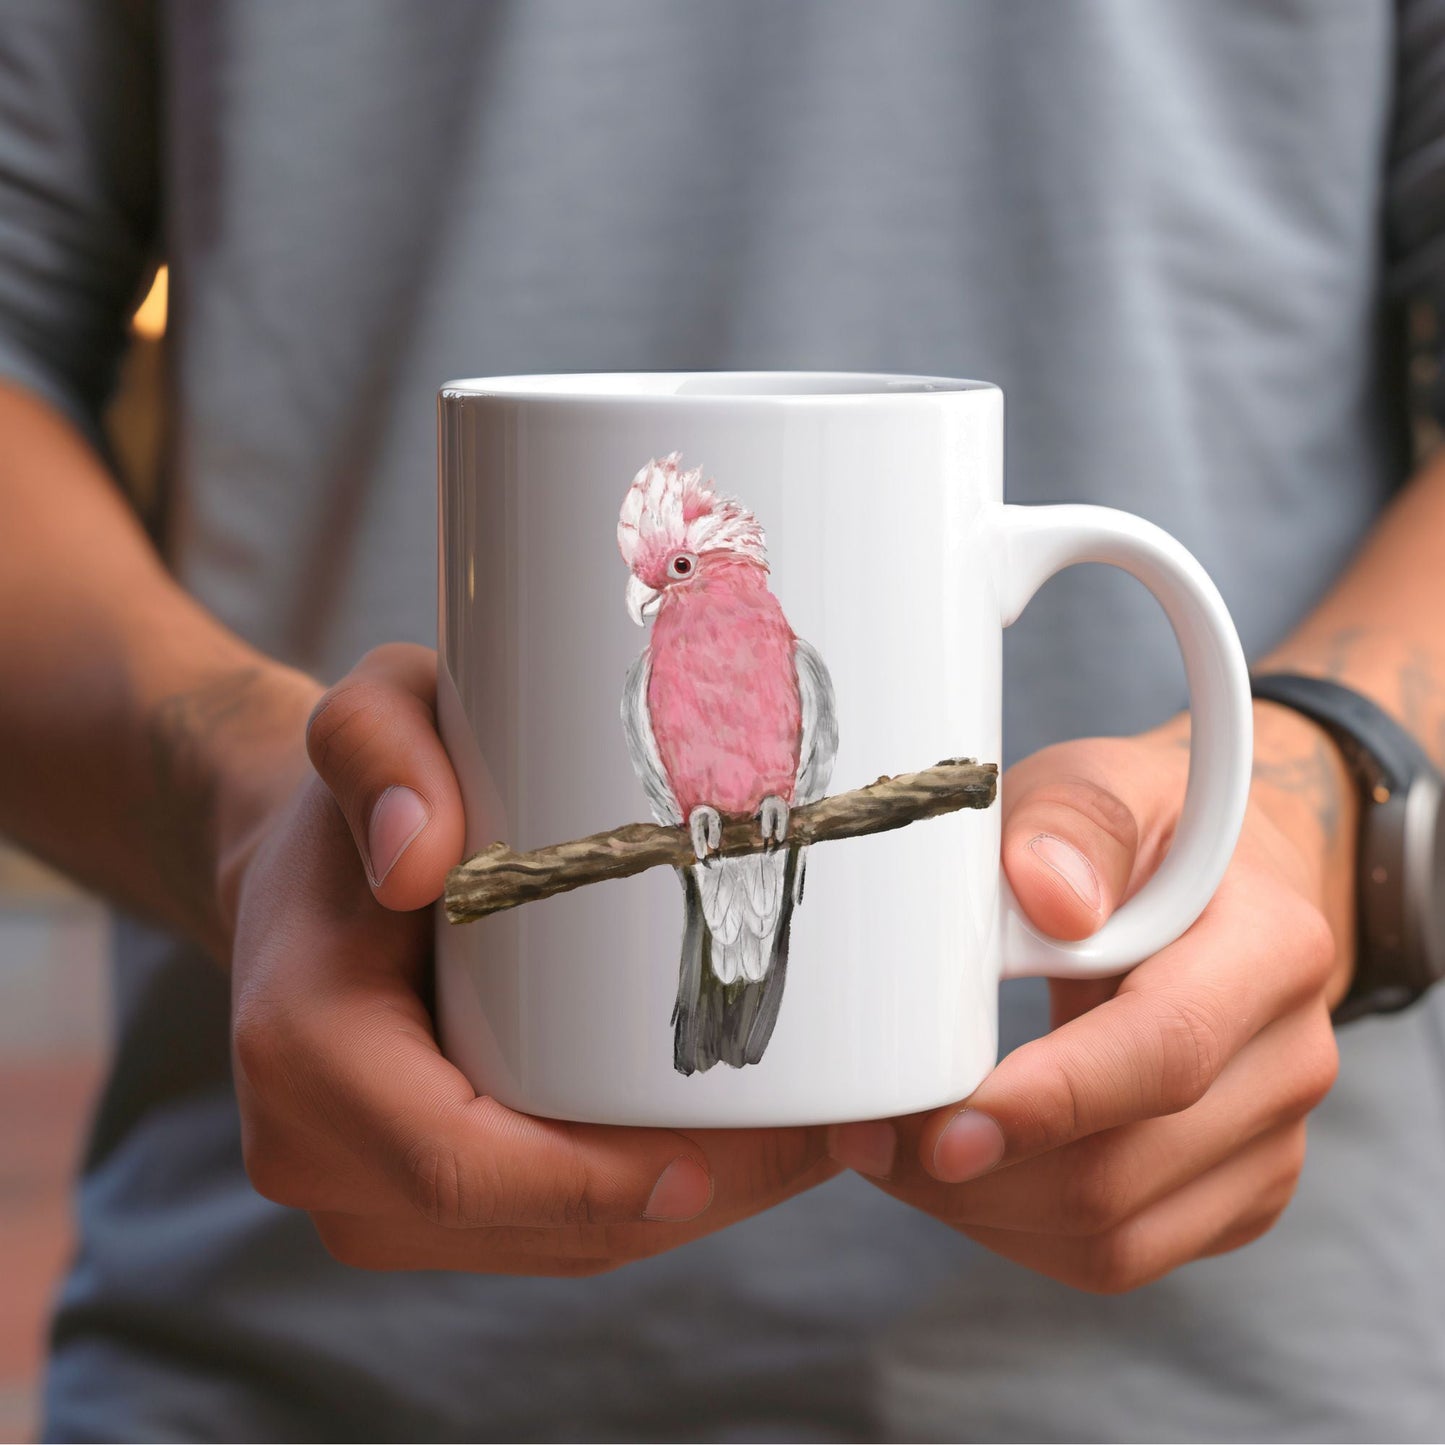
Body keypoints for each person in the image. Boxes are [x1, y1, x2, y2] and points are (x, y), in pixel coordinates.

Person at [2, 1, 1443, 1439]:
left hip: (1230, 1379)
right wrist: (251, 811)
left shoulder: (781, 649)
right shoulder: (661, 656)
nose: (654, 604)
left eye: (670, 577)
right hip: (281, 1367)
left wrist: (1308, 798)